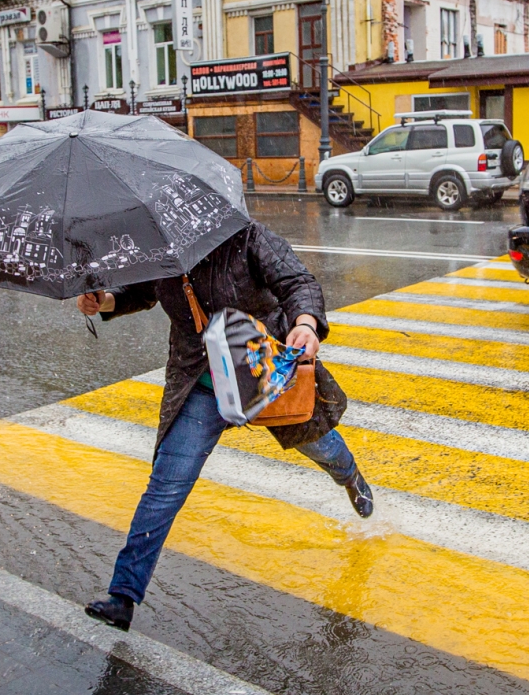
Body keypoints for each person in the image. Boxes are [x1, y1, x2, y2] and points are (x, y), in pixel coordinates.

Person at [78, 221, 373, 632]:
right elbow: (141, 294)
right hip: (199, 386)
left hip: (262, 372)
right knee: (166, 486)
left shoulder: (248, 237)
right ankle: (123, 596)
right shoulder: (160, 251)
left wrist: (304, 323)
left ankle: (350, 476)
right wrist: (105, 301)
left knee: (318, 443)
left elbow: (296, 281)